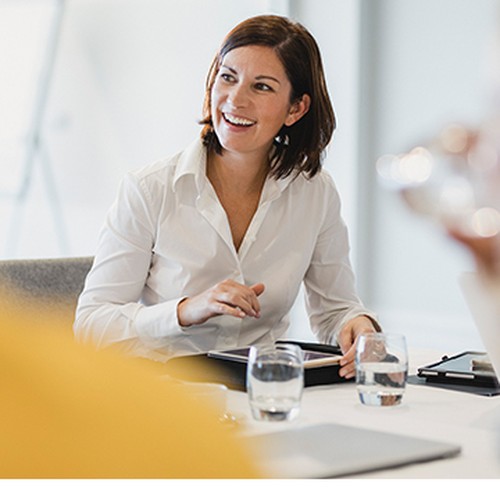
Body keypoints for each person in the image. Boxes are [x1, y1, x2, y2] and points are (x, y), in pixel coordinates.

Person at [74, 14, 379, 379]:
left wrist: (357, 326)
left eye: (262, 87)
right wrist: (187, 309)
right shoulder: (150, 188)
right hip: (166, 392)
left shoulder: (315, 191)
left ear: (296, 108)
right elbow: (91, 325)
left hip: (267, 392)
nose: (235, 100)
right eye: (228, 77)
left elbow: (335, 310)